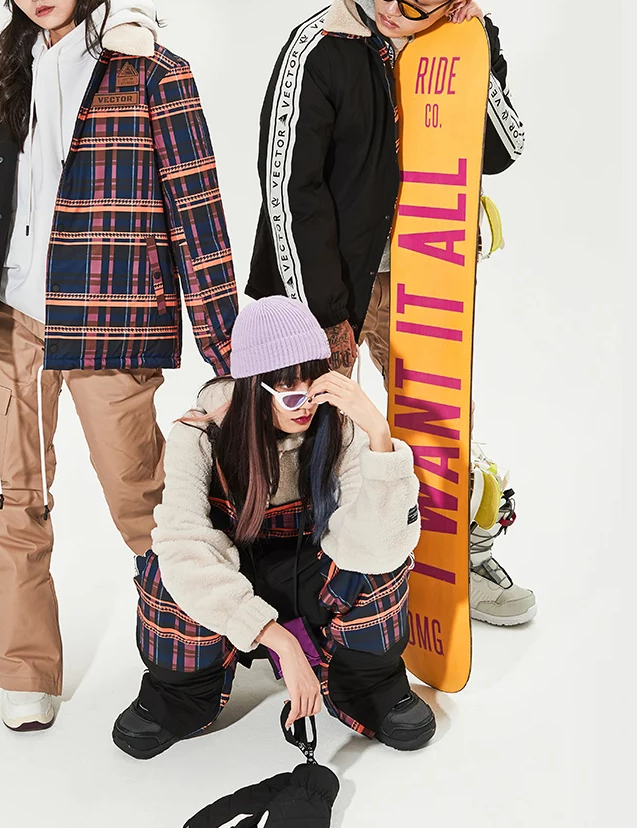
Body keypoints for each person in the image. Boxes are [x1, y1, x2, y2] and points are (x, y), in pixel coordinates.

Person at [0, 0, 238, 732]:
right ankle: (25, 675)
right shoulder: (10, 77)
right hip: (9, 322)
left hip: (110, 320)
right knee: (13, 503)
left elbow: (198, 213)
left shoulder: (152, 70)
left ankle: (195, 657)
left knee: (146, 503)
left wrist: (228, 357)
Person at [245, 0, 536, 626]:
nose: (394, 7)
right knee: (307, 441)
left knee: (437, 425)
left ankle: (451, 562)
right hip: (324, 281)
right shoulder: (322, 43)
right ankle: (296, 590)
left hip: (421, 275)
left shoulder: (455, 46)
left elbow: (503, 149)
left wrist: (479, 43)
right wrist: (319, 315)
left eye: (419, 1)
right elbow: (286, 187)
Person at [111, 296, 436, 758]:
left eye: (313, 382)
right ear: (254, 388)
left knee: (381, 564)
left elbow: (381, 544)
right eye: (288, 389)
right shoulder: (200, 436)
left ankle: (369, 688)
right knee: (169, 570)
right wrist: (277, 638)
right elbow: (185, 548)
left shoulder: (340, 430)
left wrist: (379, 436)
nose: (306, 404)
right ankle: (179, 696)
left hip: (307, 575)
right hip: (234, 578)